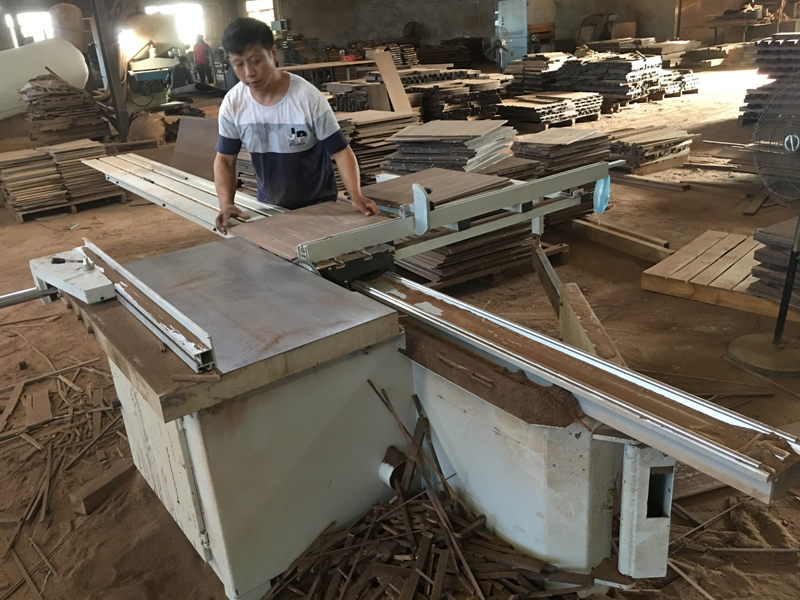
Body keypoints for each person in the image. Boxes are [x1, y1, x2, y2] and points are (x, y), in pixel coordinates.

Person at [213, 18, 377, 234]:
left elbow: (340, 150)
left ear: (273, 54)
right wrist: (226, 203)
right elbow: (225, 160)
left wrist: (355, 193)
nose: (249, 72)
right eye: (238, 64)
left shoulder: (307, 98)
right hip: (269, 207)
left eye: (256, 61)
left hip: (319, 206)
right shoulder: (234, 103)